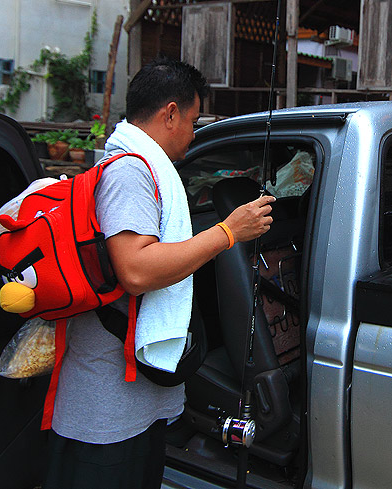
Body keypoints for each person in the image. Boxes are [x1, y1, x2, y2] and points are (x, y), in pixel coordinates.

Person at [43, 59, 275, 489]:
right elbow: (135, 269)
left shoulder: (147, 168)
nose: (193, 131)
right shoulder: (130, 171)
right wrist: (227, 231)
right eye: (192, 119)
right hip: (104, 412)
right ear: (169, 113)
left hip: (132, 400)